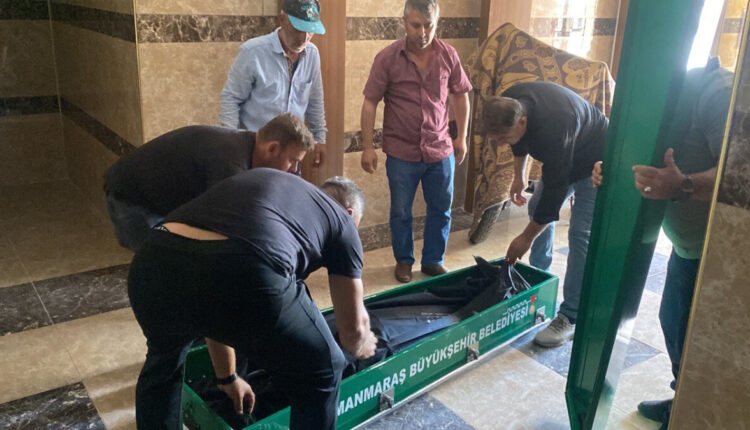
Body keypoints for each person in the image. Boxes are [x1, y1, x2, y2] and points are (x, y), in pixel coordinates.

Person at [129, 169, 378, 430]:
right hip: (244, 269)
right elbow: (352, 331)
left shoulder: (276, 186)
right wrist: (362, 343)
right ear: (350, 213)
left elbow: (212, 297)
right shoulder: (342, 220)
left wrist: (227, 377)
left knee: (164, 363)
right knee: (326, 367)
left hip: (153, 260)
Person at [591, 60, 732, 430]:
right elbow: (643, 152)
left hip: (720, 252)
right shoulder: (652, 96)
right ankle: (683, 400)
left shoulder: (716, 93)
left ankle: (694, 413)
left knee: (703, 341)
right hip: (687, 246)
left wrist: (683, 184)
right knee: (674, 322)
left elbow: (741, 173)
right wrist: (611, 168)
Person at [482, 81, 609, 347]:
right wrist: (519, 177)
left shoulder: (554, 127)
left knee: (580, 234)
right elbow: (518, 143)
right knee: (534, 207)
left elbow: (554, 190)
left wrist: (525, 238)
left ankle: (571, 316)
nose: (500, 143)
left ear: (523, 122)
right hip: (566, 153)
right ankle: (541, 283)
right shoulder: (511, 102)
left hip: (595, 159)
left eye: (504, 137)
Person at [360, 0, 472, 283]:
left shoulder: (448, 55)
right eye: (416, 25)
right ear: (404, 22)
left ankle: (433, 260)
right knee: (401, 212)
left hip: (440, 148)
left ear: (437, 23)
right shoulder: (387, 58)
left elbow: (461, 95)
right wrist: (367, 147)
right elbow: (370, 102)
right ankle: (404, 260)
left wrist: (461, 138)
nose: (423, 32)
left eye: (429, 26)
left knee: (441, 209)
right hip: (402, 152)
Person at [104, 113, 313, 251]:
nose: (294, 169)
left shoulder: (245, 145)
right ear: (272, 148)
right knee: (154, 262)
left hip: (158, 197)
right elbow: (226, 226)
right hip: (131, 197)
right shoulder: (229, 163)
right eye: (293, 160)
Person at [219, 0, 327, 168]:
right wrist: (233, 144)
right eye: (298, 29)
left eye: (310, 32)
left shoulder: (312, 54)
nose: (304, 38)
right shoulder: (253, 51)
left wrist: (319, 138)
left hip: (291, 154)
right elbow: (231, 99)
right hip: (255, 151)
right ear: (282, 20)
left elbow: (315, 100)